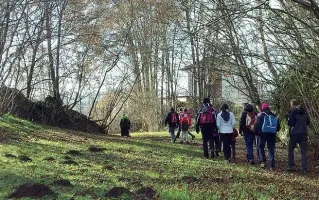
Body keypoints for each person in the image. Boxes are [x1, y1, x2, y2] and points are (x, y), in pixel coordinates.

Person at [254, 104, 280, 170]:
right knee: (271, 149)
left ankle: (263, 162)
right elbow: (278, 126)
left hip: (262, 135)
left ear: (262, 109)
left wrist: (256, 133)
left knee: (260, 147)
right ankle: (272, 165)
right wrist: (274, 131)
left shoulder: (260, 115)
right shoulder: (274, 115)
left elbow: (256, 126)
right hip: (272, 135)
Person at [287, 99, 310, 173]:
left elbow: (290, 123)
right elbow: (308, 122)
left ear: (292, 104)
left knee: (290, 149)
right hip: (303, 133)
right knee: (303, 151)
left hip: (294, 133)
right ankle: (304, 169)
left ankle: (291, 166)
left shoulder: (293, 111)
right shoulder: (304, 112)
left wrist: (287, 118)